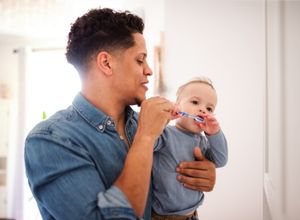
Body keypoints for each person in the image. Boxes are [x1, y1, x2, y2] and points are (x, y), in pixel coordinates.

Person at [24, 8, 216, 220]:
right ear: (106, 63)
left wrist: (198, 177)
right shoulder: (50, 140)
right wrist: (144, 138)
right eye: (140, 59)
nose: (149, 70)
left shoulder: (148, 126)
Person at [152, 78, 228, 220]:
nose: (202, 109)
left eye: (209, 108)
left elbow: (221, 160)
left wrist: (215, 133)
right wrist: (164, 118)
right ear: (177, 106)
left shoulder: (203, 142)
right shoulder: (166, 134)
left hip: (193, 214)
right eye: (195, 102)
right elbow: (149, 140)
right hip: (163, 216)